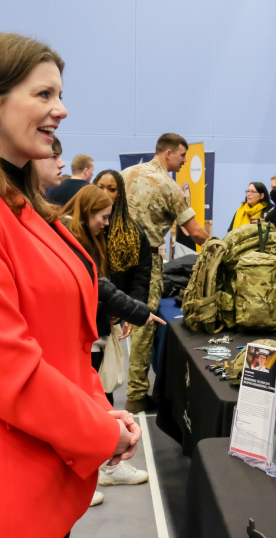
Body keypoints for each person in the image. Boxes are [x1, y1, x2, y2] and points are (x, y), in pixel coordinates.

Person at [0, 32, 139, 538]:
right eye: (43, 95)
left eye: (60, 95)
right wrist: (98, 431)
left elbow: (63, 340)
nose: (61, 109)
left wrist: (103, 413)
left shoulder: (18, 206)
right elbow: (6, 369)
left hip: (37, 472)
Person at [60, 185, 162, 504]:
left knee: (100, 397)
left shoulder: (79, 235)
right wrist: (137, 310)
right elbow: (98, 284)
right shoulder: (67, 235)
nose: (106, 223)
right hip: (78, 335)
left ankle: (101, 466)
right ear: (87, 211)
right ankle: (86, 472)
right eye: (103, 216)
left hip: (93, 330)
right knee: (85, 403)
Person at [121, 133, 209, 413]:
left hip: (116, 258)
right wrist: (219, 245)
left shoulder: (125, 174)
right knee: (143, 325)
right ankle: (135, 395)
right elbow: (195, 233)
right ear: (168, 153)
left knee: (114, 320)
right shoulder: (169, 187)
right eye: (182, 155)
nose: (184, 161)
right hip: (146, 261)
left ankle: (105, 390)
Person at [93, 169, 153, 342]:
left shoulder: (133, 232)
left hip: (118, 310)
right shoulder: (82, 228)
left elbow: (140, 278)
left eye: (111, 189)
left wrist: (130, 313)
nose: (105, 193)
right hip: (90, 312)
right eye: (100, 187)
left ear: (119, 194)